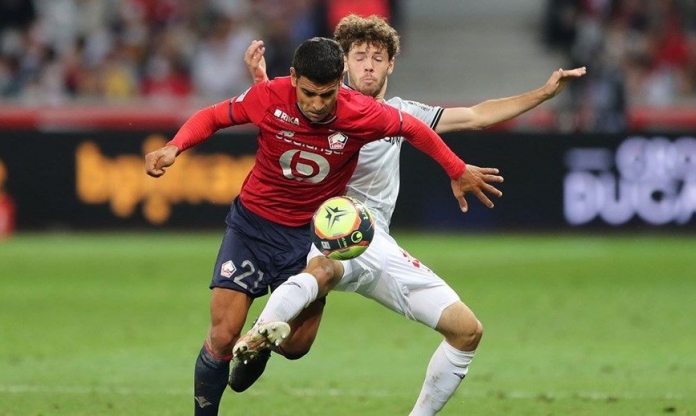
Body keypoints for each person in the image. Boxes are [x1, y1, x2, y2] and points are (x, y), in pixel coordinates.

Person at [231, 15, 586, 415]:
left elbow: (476, 115)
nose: (368, 66)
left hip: (377, 242)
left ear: (391, 65)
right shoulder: (324, 108)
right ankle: (259, 333)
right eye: (359, 56)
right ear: (344, 63)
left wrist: (544, 93)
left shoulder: (400, 114)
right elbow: (280, 117)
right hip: (331, 227)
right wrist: (263, 83)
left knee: (466, 331)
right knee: (322, 276)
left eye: (377, 58)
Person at [144, 36, 504, 416]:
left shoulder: (361, 111)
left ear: (340, 81)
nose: (317, 105)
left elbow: (415, 129)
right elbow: (213, 116)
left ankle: (262, 345)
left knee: (296, 347)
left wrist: (456, 169)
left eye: (327, 94)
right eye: (309, 94)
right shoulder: (269, 96)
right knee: (222, 335)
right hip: (252, 227)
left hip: (307, 236)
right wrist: (174, 146)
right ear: (293, 77)